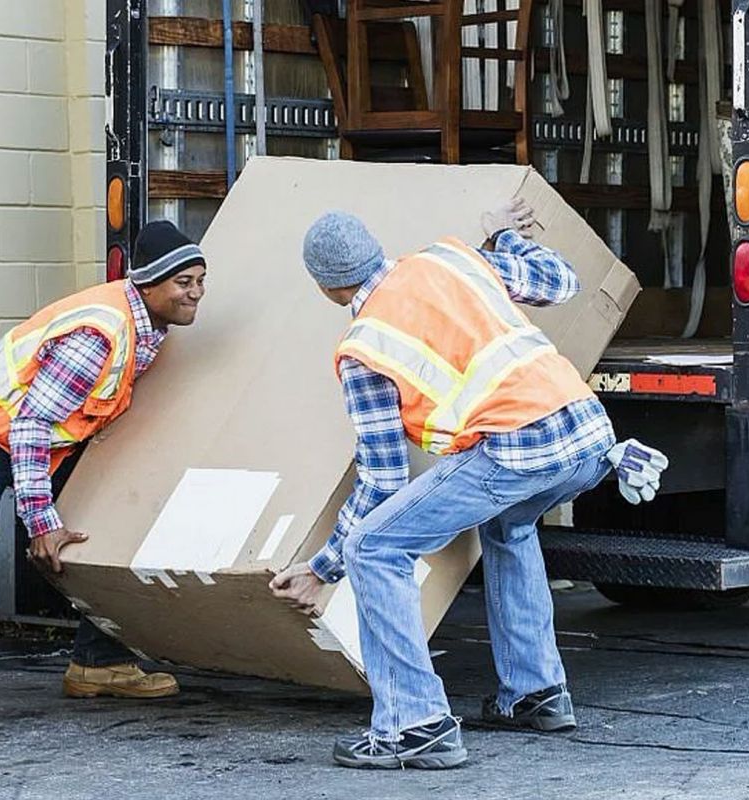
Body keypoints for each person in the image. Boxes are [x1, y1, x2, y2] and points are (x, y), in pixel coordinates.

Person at [270, 200, 666, 769]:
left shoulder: (364, 347)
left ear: (326, 288)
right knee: (511, 522)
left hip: (517, 449)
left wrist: (322, 566)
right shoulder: (452, 258)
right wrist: (506, 236)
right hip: (587, 434)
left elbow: (383, 479)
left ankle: (414, 726)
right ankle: (535, 694)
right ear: (377, 250)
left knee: (372, 548)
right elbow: (562, 280)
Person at [0, 220, 208, 732]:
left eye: (201, 281)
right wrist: (41, 520)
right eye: (185, 282)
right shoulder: (101, 333)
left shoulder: (148, 329)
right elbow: (30, 424)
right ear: (150, 283)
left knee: (117, 509)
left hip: (29, 441)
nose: (197, 293)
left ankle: (100, 662)